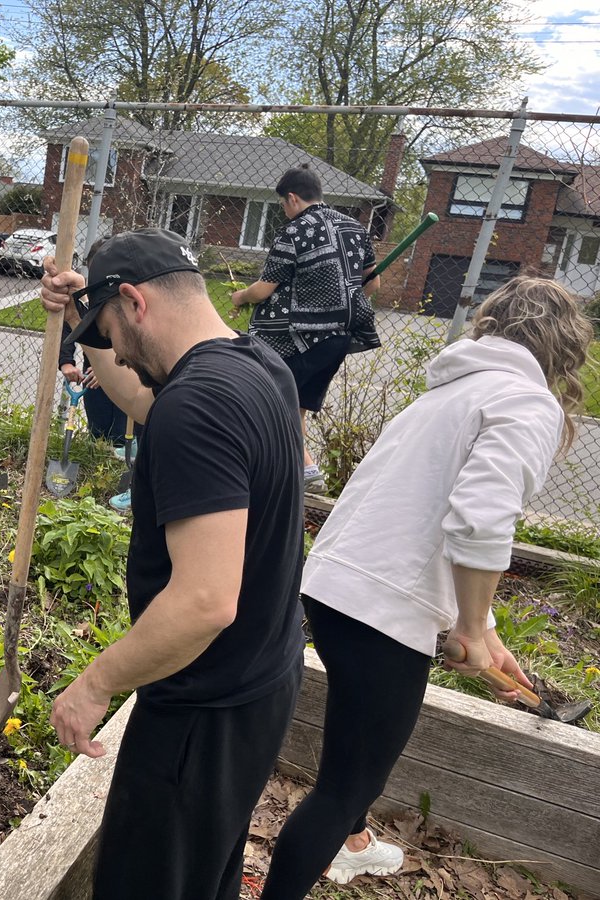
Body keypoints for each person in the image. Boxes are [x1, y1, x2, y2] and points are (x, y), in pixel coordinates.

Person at [258, 276, 594, 897]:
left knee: (354, 744)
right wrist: (466, 625)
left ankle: (355, 846)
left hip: (334, 588)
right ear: (562, 347)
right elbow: (481, 517)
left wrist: (483, 627)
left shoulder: (449, 393)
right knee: (346, 785)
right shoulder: (527, 401)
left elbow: (423, 517)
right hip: (381, 611)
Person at [41, 228, 307, 900]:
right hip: (260, 689)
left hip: (199, 715)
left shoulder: (198, 406)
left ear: (134, 302)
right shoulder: (259, 367)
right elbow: (139, 402)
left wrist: (95, 684)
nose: (118, 353)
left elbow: (205, 601)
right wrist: (84, 320)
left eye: (113, 330)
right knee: (200, 878)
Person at [230, 164, 380, 493]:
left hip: (297, 339)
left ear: (293, 198)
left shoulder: (295, 231)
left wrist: (240, 296)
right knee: (294, 405)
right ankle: (303, 471)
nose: (284, 211)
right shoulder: (355, 228)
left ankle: (293, 472)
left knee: (273, 401)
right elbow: (372, 282)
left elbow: (263, 289)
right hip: (338, 339)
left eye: (283, 204)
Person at [60, 324, 140, 511]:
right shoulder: (80, 301)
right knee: (98, 435)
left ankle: (131, 483)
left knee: (122, 438)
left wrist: (108, 368)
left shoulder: (125, 300)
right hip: (92, 375)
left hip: (127, 371)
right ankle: (96, 480)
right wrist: (66, 361)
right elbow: (68, 327)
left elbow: (134, 334)